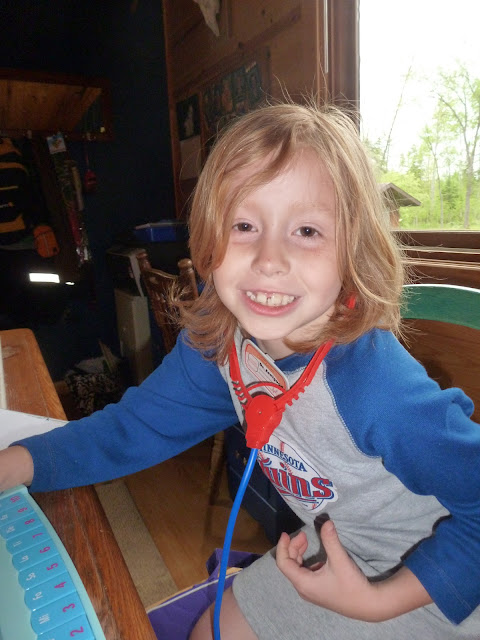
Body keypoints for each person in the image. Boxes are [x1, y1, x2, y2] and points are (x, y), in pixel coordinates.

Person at [1, 102, 479, 640]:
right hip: (336, 546)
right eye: (245, 225)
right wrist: (16, 463)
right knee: (210, 631)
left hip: (438, 577)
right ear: (208, 240)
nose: (269, 258)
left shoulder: (374, 386)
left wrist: (378, 602)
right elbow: (134, 428)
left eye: (307, 230)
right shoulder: (222, 346)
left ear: (353, 251)